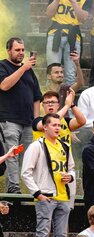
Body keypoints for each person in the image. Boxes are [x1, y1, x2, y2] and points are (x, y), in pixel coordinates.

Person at [21, 113, 75, 237]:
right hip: (46, 196)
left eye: (59, 125)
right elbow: (25, 172)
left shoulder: (64, 145)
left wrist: (70, 176)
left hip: (63, 196)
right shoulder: (36, 145)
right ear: (45, 127)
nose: (58, 128)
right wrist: (37, 193)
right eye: (54, 125)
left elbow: (71, 167)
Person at [0, 37, 42, 193]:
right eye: (17, 50)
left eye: (23, 50)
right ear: (9, 50)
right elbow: (4, 85)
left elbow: (37, 97)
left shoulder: (29, 71)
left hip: (27, 122)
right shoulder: (3, 66)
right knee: (12, 152)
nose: (21, 53)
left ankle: (29, 188)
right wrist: (23, 68)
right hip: (9, 119)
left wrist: (36, 120)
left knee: (27, 156)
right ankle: (13, 187)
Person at [46, 0, 92, 85]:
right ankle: (50, 97)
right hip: (55, 33)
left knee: (70, 74)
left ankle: (68, 97)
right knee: (53, 70)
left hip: (73, 35)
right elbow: (49, 13)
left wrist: (74, 2)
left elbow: (83, 18)